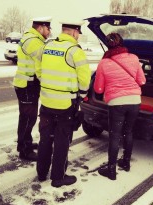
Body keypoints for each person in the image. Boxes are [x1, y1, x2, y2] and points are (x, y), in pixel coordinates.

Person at [36, 21, 91, 187]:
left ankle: (41, 172)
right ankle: (58, 177)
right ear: (74, 32)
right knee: (62, 140)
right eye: (78, 33)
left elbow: (38, 70)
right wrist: (82, 93)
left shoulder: (47, 46)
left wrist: (48, 84)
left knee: (45, 138)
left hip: (46, 101)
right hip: (65, 104)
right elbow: (84, 79)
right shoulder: (75, 51)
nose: (78, 36)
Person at [94, 32, 146, 180]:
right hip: (135, 101)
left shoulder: (104, 63)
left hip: (116, 103)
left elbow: (98, 89)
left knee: (114, 135)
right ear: (122, 43)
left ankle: (111, 170)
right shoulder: (134, 58)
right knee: (128, 132)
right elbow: (142, 81)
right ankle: (126, 162)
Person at [12, 16, 52, 161]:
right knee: (28, 118)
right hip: (27, 85)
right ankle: (25, 150)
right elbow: (43, 60)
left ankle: (24, 142)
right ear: (40, 27)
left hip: (28, 84)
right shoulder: (33, 41)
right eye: (48, 28)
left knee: (26, 117)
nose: (49, 32)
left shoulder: (33, 39)